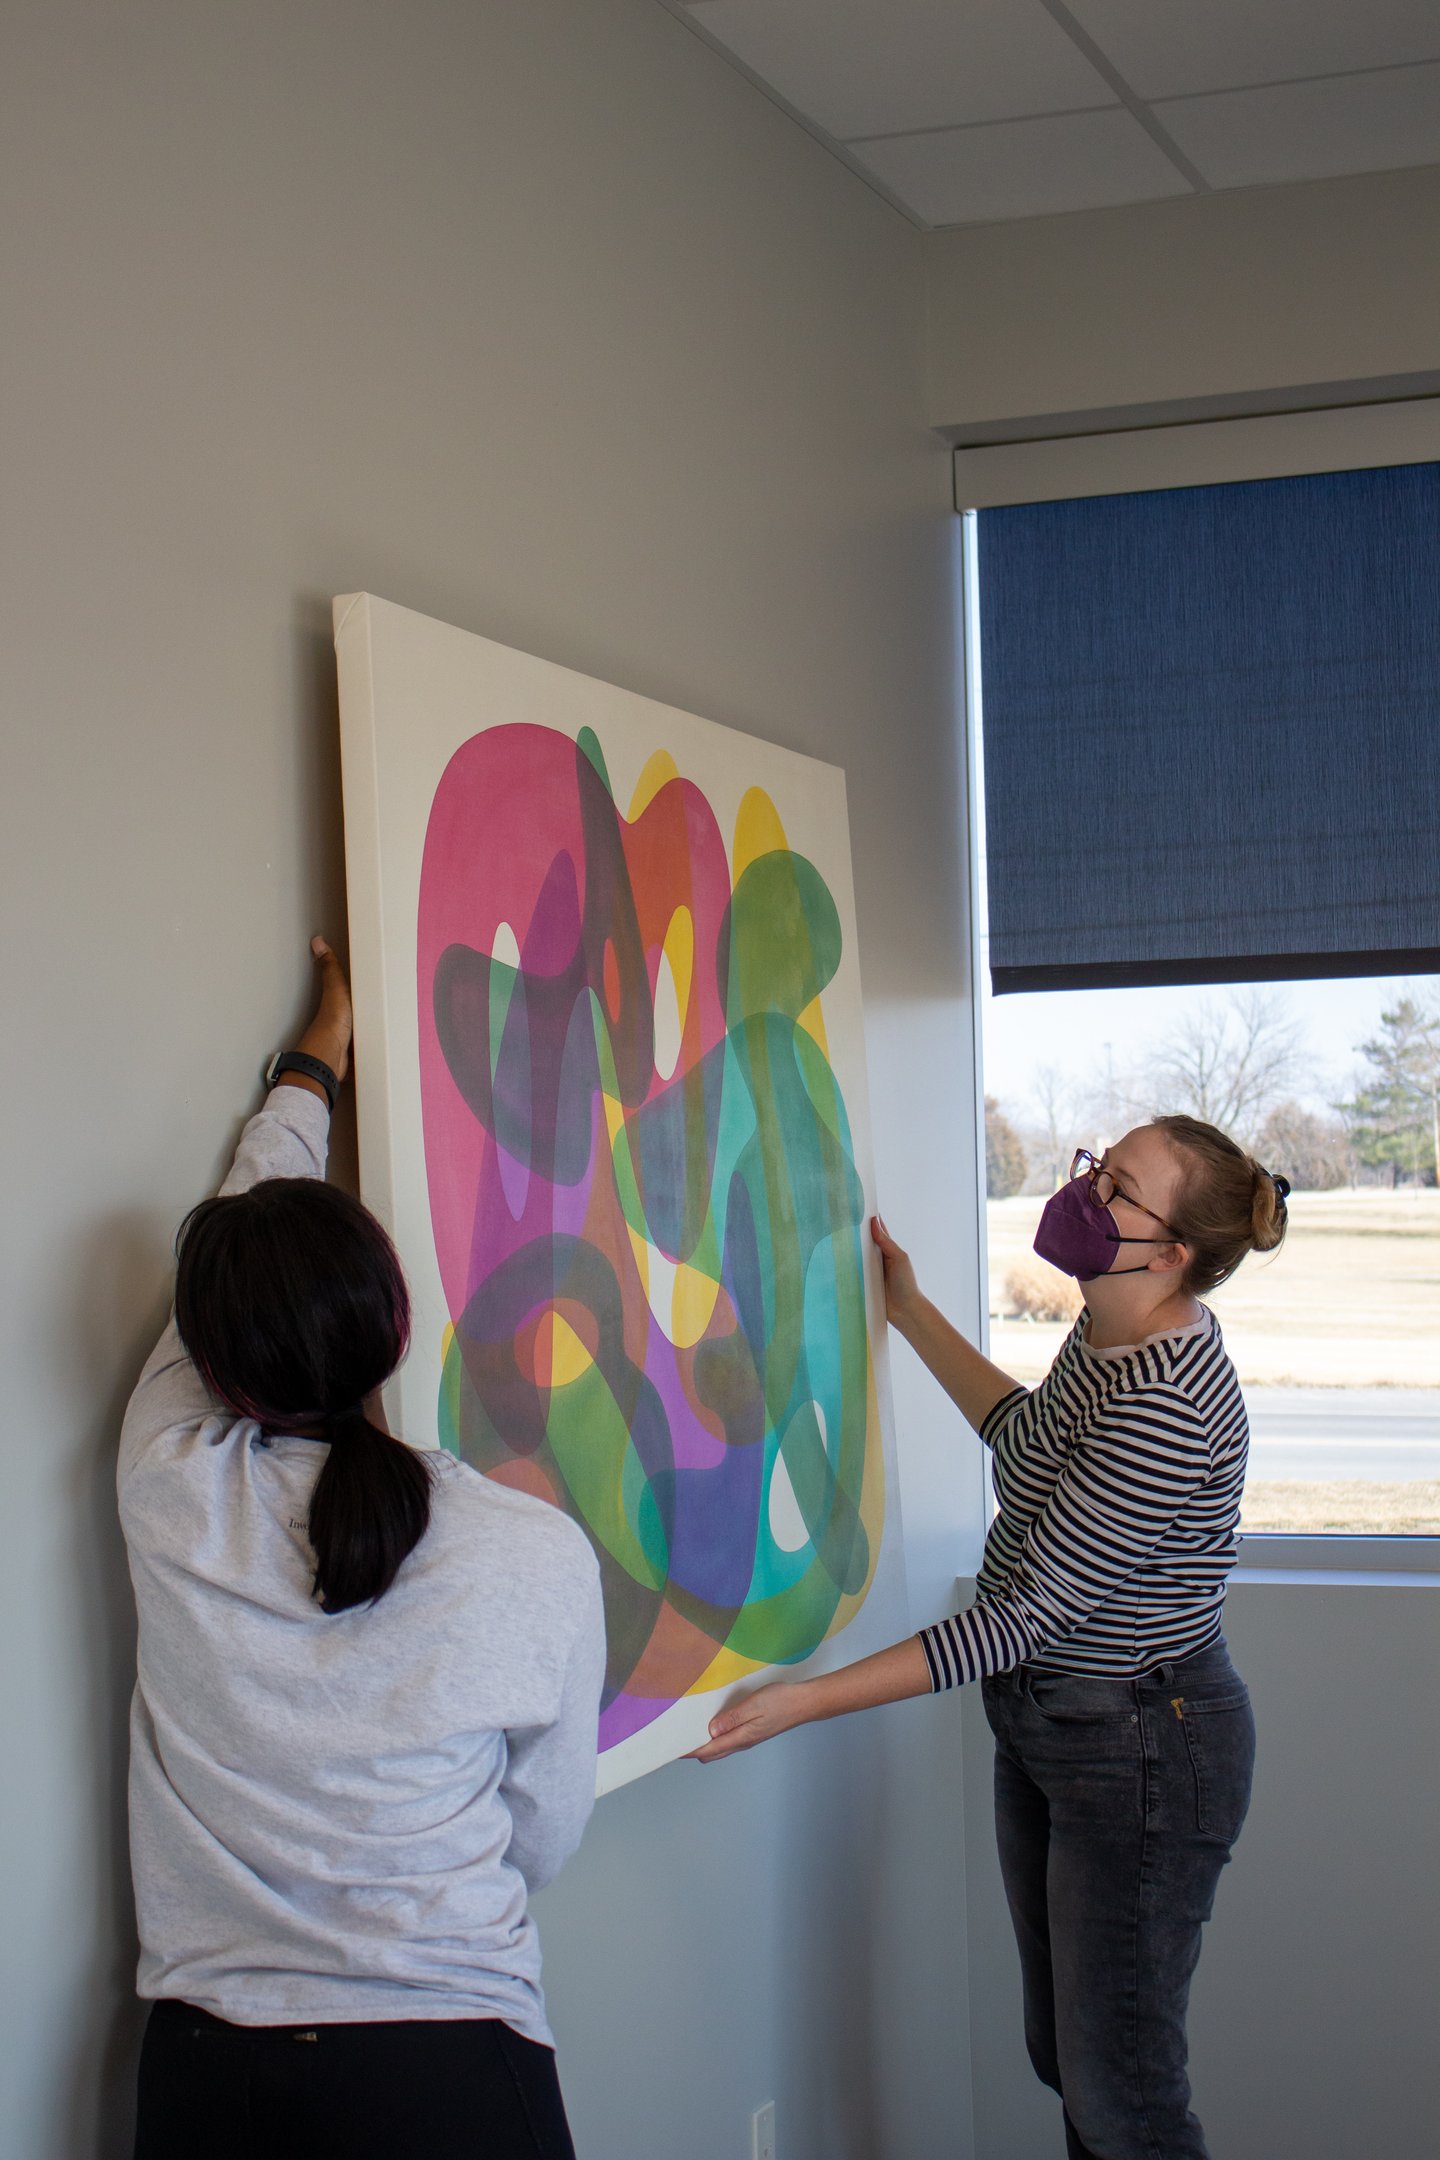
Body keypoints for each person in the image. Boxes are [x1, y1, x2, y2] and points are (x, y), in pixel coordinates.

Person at [695, 1115, 1290, 2160]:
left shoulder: (1168, 1401)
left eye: (1119, 1189)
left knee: (1125, 2096)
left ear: (1171, 1252)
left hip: (1142, 1748)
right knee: (1070, 2061)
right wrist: (911, 1311)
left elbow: (1024, 1617)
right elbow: (1027, 1448)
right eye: (1098, 1167)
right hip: (1054, 1724)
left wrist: (804, 1699)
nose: (1086, 1191)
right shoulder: (1105, 1331)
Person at [120, 938, 604, 2160]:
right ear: (397, 1324)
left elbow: (250, 1218)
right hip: (448, 2061)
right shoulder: (531, 1553)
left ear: (212, 1365)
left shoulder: (168, 1479)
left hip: (210, 2076)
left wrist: (313, 1059)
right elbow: (541, 1833)